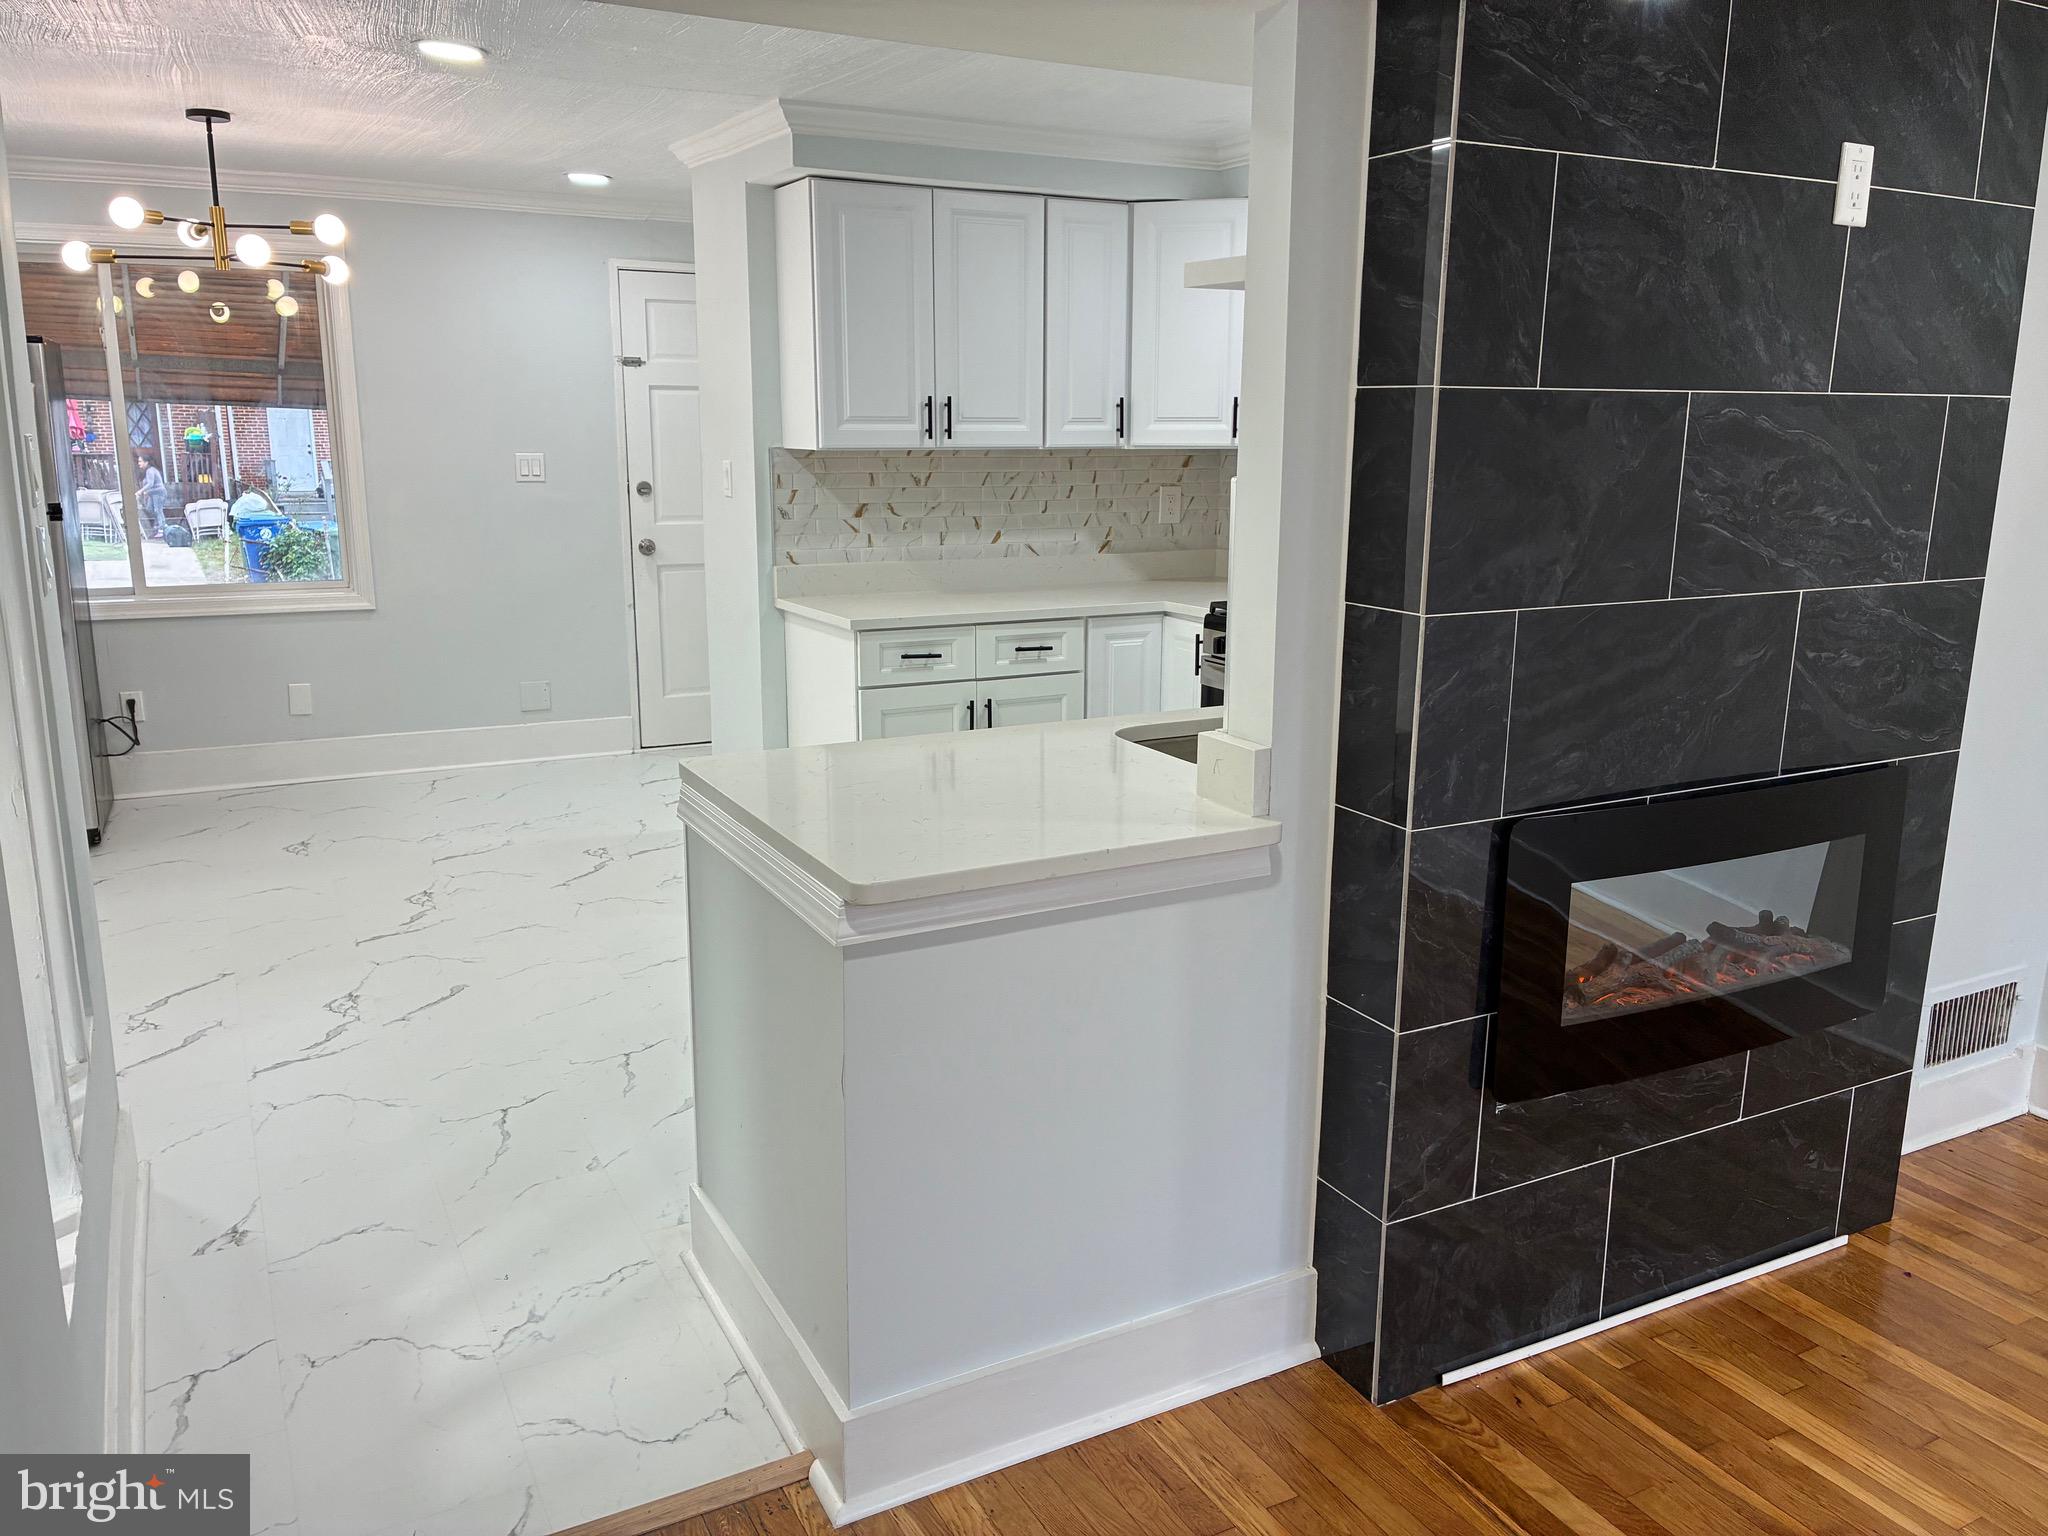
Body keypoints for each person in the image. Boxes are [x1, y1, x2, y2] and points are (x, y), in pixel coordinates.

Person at [136, 453, 168, 539]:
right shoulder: (146, 471)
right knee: (149, 508)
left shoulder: (151, 470)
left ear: (146, 462)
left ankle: (162, 528)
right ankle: (159, 524)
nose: (139, 463)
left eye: (140, 461)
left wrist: (140, 491)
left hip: (159, 493)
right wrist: (147, 493)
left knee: (158, 510)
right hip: (152, 494)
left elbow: (150, 484)